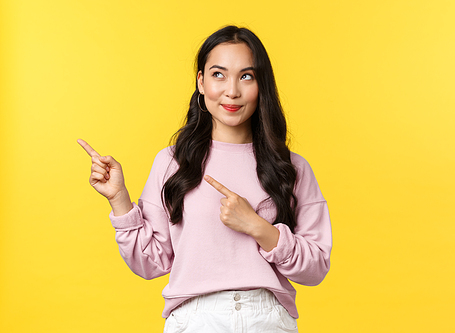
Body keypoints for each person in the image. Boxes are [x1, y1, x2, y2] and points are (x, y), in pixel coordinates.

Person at [78, 25, 332, 333]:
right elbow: (150, 264)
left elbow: (316, 267)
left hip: (267, 319)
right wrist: (119, 200)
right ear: (201, 82)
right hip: (195, 319)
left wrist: (256, 226)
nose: (232, 91)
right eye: (218, 74)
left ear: (262, 85)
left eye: (247, 76)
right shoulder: (172, 162)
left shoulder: (291, 168)